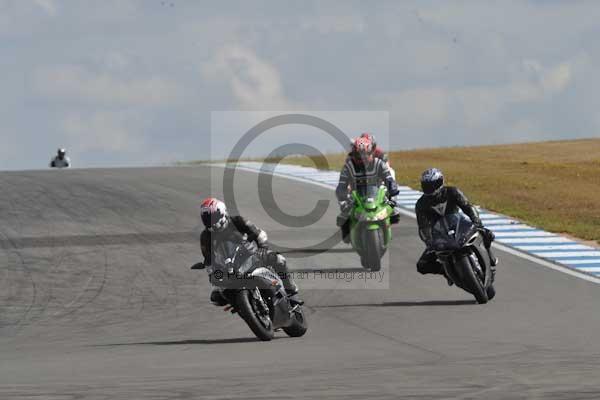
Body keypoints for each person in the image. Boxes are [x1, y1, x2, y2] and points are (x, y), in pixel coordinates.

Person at [191, 197, 303, 306]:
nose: (212, 222)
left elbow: (259, 234)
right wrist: (212, 273)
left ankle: (292, 292)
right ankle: (240, 304)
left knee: (279, 260)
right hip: (228, 268)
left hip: (252, 256)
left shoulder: (237, 221)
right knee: (217, 295)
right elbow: (208, 259)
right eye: (207, 219)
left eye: (214, 217)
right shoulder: (205, 236)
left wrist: (263, 248)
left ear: (223, 212)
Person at [415, 168, 498, 285]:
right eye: (427, 185)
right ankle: (446, 271)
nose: (430, 188)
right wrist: (429, 242)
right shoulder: (421, 204)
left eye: (433, 185)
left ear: (440, 182)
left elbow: (468, 207)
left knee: (487, 233)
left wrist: (477, 222)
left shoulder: (452, 192)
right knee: (422, 265)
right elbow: (423, 227)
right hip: (440, 235)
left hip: (460, 226)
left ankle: (491, 259)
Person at [336, 136, 400, 243]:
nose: (364, 157)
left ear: (372, 152)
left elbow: (388, 178)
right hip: (356, 196)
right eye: (360, 154)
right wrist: (342, 197)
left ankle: (386, 228)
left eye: (366, 154)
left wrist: (392, 189)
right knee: (343, 216)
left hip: (377, 194)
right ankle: (349, 235)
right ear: (355, 154)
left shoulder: (379, 163)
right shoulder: (349, 166)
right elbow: (342, 184)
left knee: (394, 212)